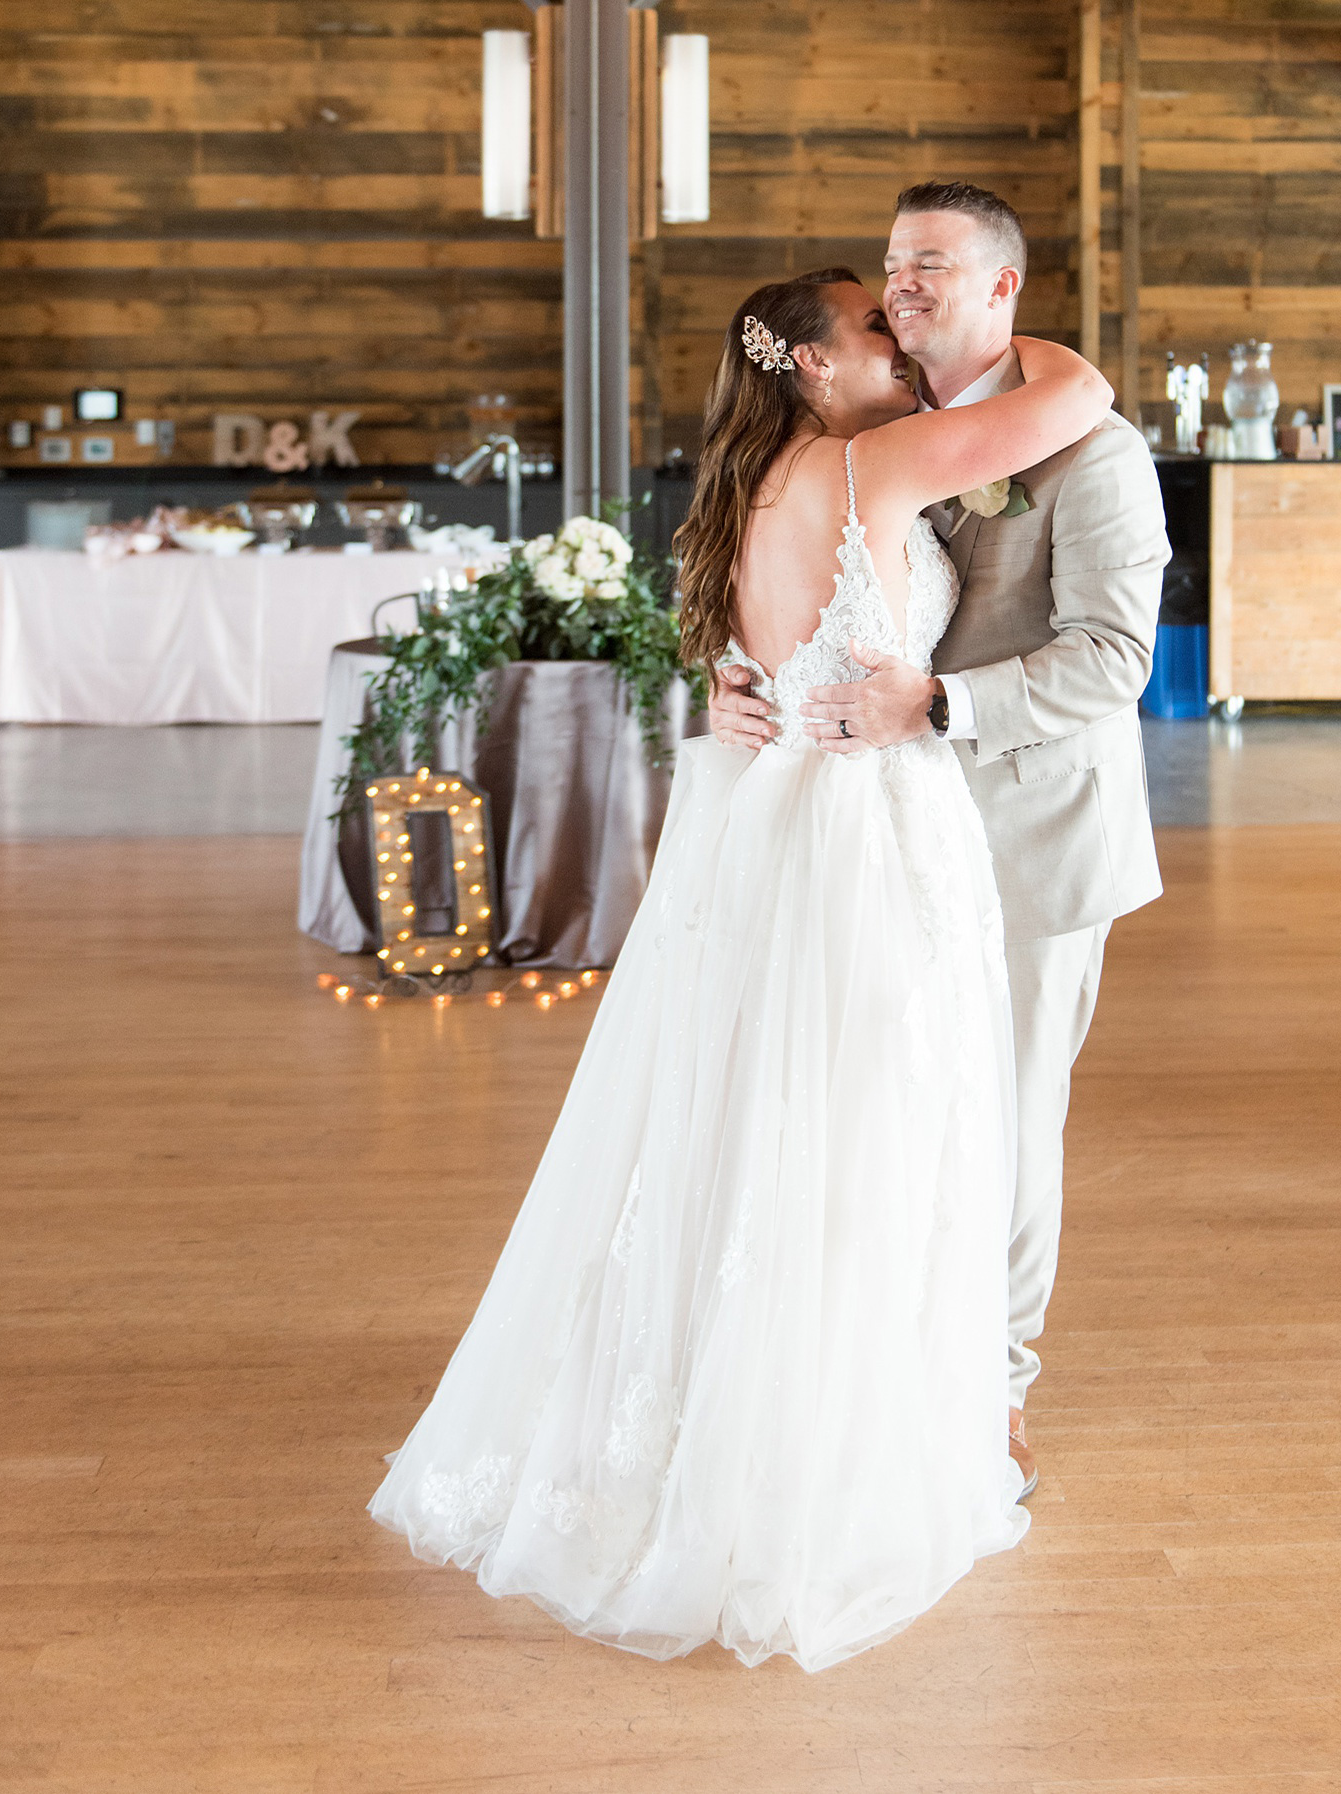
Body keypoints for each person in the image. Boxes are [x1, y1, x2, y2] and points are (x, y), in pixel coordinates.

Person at [369, 266, 1115, 1669]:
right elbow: (1079, 395)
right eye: (878, 328)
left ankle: (735, 1420)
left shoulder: (739, 492)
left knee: (762, 1127)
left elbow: (728, 677)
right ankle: (829, 1451)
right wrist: (1001, 322)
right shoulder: (864, 462)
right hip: (875, 833)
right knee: (880, 1128)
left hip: (771, 832)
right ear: (819, 370)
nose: (902, 345)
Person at [710, 182, 1170, 1500]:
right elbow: (813, 586)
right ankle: (891, 1358)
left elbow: (1113, 657)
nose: (904, 285)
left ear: (1004, 288)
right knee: (896, 1106)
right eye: (895, 264)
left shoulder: (1098, 452)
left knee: (1010, 1119)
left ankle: (999, 1386)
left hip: (1028, 828)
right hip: (891, 832)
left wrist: (944, 701)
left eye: (931, 266)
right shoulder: (886, 427)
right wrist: (741, 673)